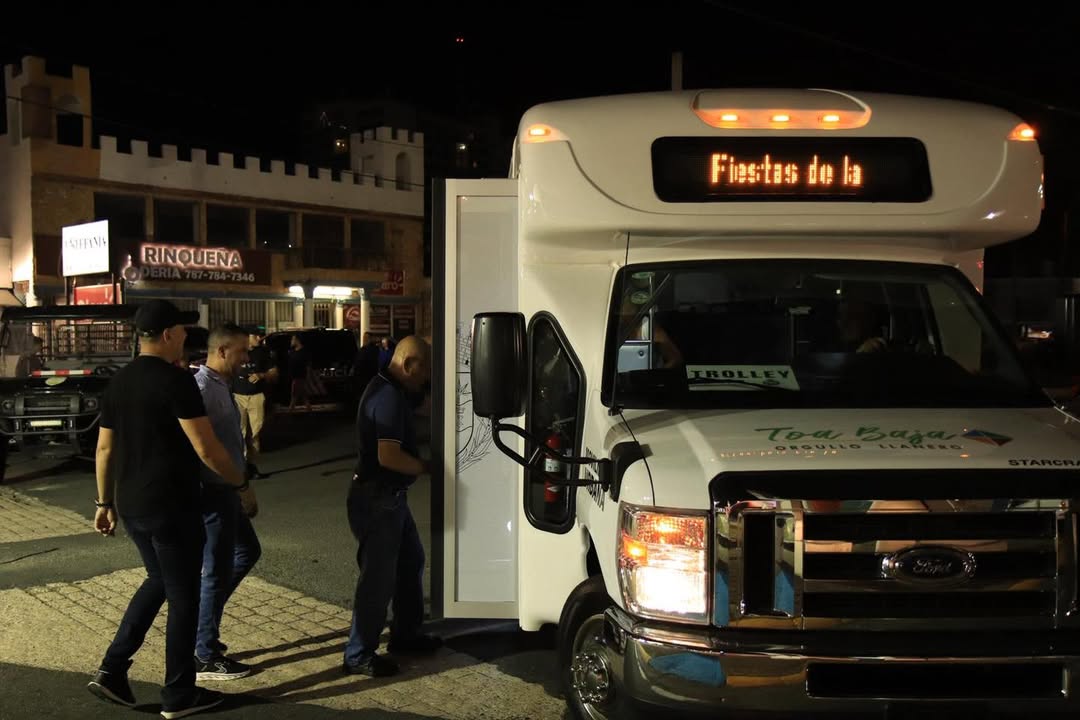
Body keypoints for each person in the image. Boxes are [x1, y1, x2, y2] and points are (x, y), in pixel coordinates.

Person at [88, 299, 247, 719]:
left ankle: (112, 669)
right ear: (167, 335)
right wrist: (241, 483)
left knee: (158, 580)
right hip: (172, 506)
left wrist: (104, 503)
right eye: (181, 330)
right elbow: (206, 448)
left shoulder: (119, 382)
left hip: (133, 505)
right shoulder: (177, 382)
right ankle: (179, 694)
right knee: (184, 599)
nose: (185, 337)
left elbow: (104, 449)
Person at [343, 335, 441, 677]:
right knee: (378, 580)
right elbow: (389, 456)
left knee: (411, 562)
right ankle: (358, 655)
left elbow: (421, 405)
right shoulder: (387, 397)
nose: (427, 377)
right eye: (425, 369)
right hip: (377, 499)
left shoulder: (390, 389)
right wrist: (428, 467)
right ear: (409, 364)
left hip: (388, 497)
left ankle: (406, 635)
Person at [194, 323, 262, 681]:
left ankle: (203, 626)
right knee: (216, 571)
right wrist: (240, 487)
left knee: (246, 552)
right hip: (215, 493)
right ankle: (203, 652)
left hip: (228, 490)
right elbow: (202, 449)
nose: (246, 358)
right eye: (242, 351)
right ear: (222, 351)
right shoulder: (203, 389)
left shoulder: (221, 385)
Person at [232, 329, 277, 478]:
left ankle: (251, 465)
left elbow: (274, 372)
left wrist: (261, 375)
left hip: (256, 396)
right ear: (247, 337)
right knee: (241, 431)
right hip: (238, 396)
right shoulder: (237, 350)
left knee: (256, 432)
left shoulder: (263, 352)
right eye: (256, 335)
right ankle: (243, 466)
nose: (259, 338)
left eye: (260, 335)